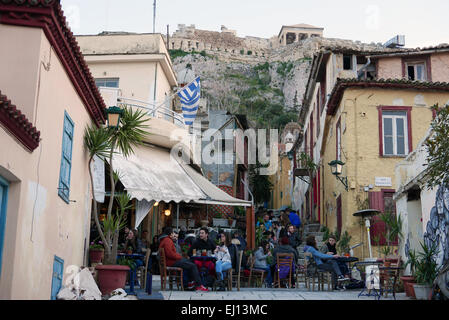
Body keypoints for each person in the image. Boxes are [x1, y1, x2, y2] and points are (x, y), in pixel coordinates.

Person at [158, 227, 208, 291]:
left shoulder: (164, 240)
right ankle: (198, 285)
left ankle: (188, 284)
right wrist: (180, 257)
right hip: (171, 262)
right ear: (170, 234)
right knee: (192, 265)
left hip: (170, 261)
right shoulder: (167, 241)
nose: (174, 234)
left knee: (189, 263)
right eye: (173, 233)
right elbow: (170, 254)